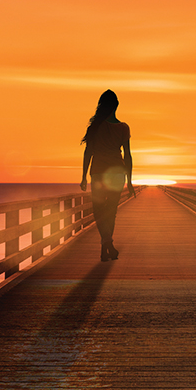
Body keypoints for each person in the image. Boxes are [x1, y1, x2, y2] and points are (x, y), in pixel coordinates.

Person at [80, 89, 135, 261]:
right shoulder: (123, 127)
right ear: (116, 105)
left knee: (98, 210)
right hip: (117, 175)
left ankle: (106, 243)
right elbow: (127, 155)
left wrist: (83, 176)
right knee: (111, 211)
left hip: (97, 174)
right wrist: (130, 180)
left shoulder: (95, 127)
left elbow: (88, 152)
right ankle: (107, 244)